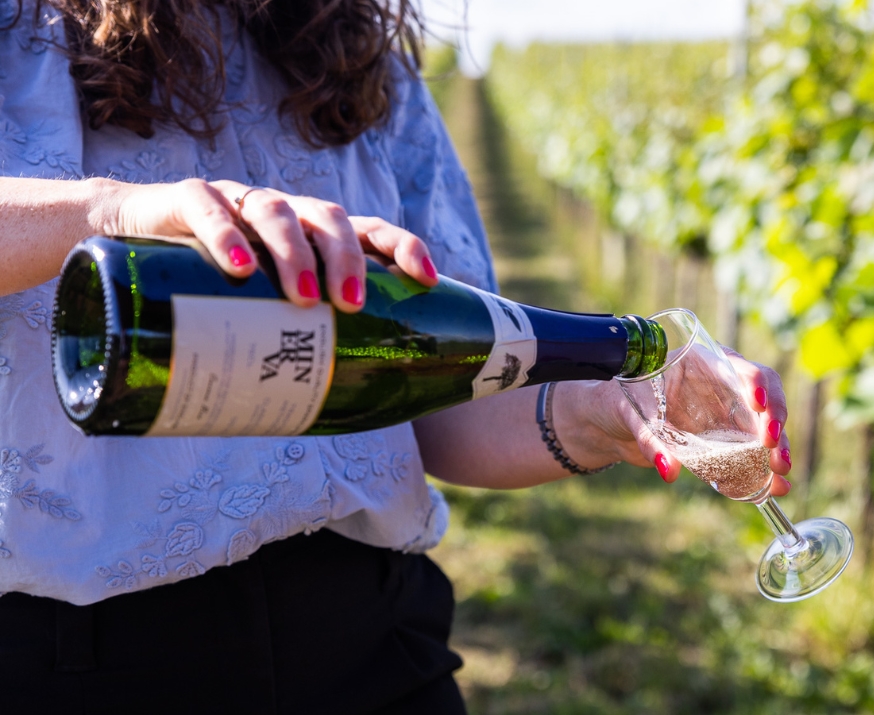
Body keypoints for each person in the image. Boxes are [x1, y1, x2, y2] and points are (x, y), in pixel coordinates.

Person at [0, 0, 795, 712]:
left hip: (371, 640)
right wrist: (115, 208)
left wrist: (609, 416)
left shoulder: (350, 50)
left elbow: (449, 392)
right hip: (75, 663)